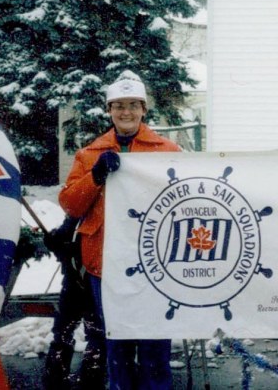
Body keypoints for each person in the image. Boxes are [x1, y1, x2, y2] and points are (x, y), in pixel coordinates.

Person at [59, 70, 180, 390]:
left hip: (156, 264)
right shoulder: (89, 154)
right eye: (119, 106)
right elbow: (71, 205)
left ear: (144, 109)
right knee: (118, 347)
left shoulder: (168, 151)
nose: (126, 112)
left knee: (155, 346)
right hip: (106, 266)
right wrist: (95, 177)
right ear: (109, 111)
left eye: (133, 105)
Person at [42, 215, 106, 389]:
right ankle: (56, 379)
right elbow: (63, 238)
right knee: (65, 332)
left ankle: (90, 381)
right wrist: (55, 241)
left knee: (95, 334)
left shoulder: (100, 210)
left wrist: (69, 248)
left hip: (96, 282)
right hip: (74, 282)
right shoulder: (77, 213)